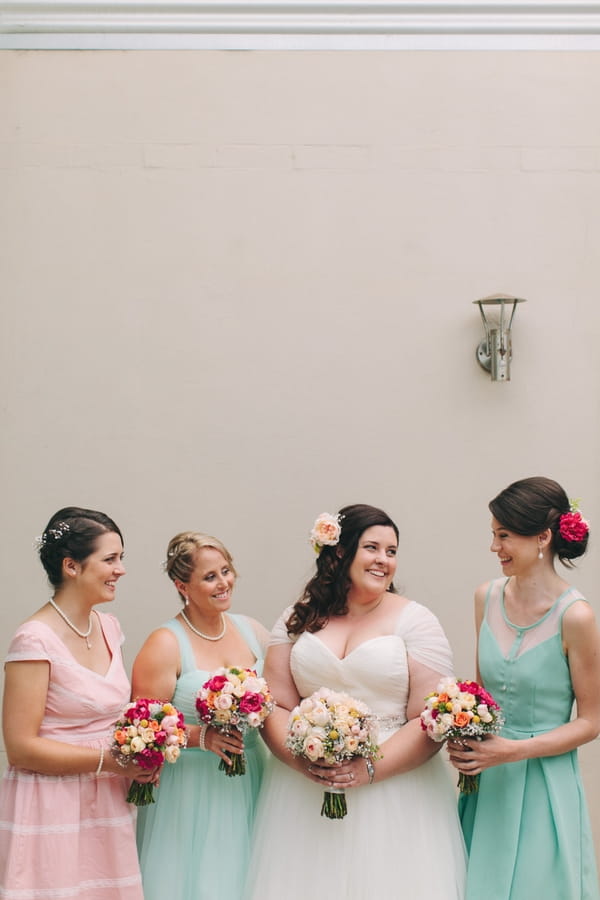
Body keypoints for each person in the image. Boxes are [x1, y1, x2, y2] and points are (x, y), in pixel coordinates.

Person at [245, 504, 466, 900]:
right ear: (341, 552)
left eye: (392, 551)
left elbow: (428, 718)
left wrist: (365, 770)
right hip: (303, 788)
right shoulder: (299, 616)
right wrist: (302, 761)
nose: (384, 560)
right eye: (372, 548)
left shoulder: (416, 622)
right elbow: (275, 705)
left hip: (395, 786)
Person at [448, 476, 600, 900]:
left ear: (543, 538)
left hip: (545, 783)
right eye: (494, 535)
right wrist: (462, 734)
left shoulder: (577, 617)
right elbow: (481, 697)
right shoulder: (486, 597)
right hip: (487, 783)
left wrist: (513, 751)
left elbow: (591, 722)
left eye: (504, 536)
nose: (495, 547)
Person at [0, 506, 152, 900]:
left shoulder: (109, 627)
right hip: (50, 804)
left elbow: (119, 715)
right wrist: (110, 761)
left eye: (122, 558)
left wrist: (144, 753)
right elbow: (19, 747)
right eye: (110, 559)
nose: (121, 569)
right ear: (71, 566)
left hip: (107, 800)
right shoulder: (34, 640)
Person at [133, 531, 270, 900]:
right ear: (183, 586)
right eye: (210, 577)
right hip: (192, 787)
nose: (224, 583)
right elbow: (142, 727)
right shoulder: (164, 643)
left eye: (226, 571)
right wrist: (201, 737)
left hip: (252, 774)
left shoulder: (253, 631)